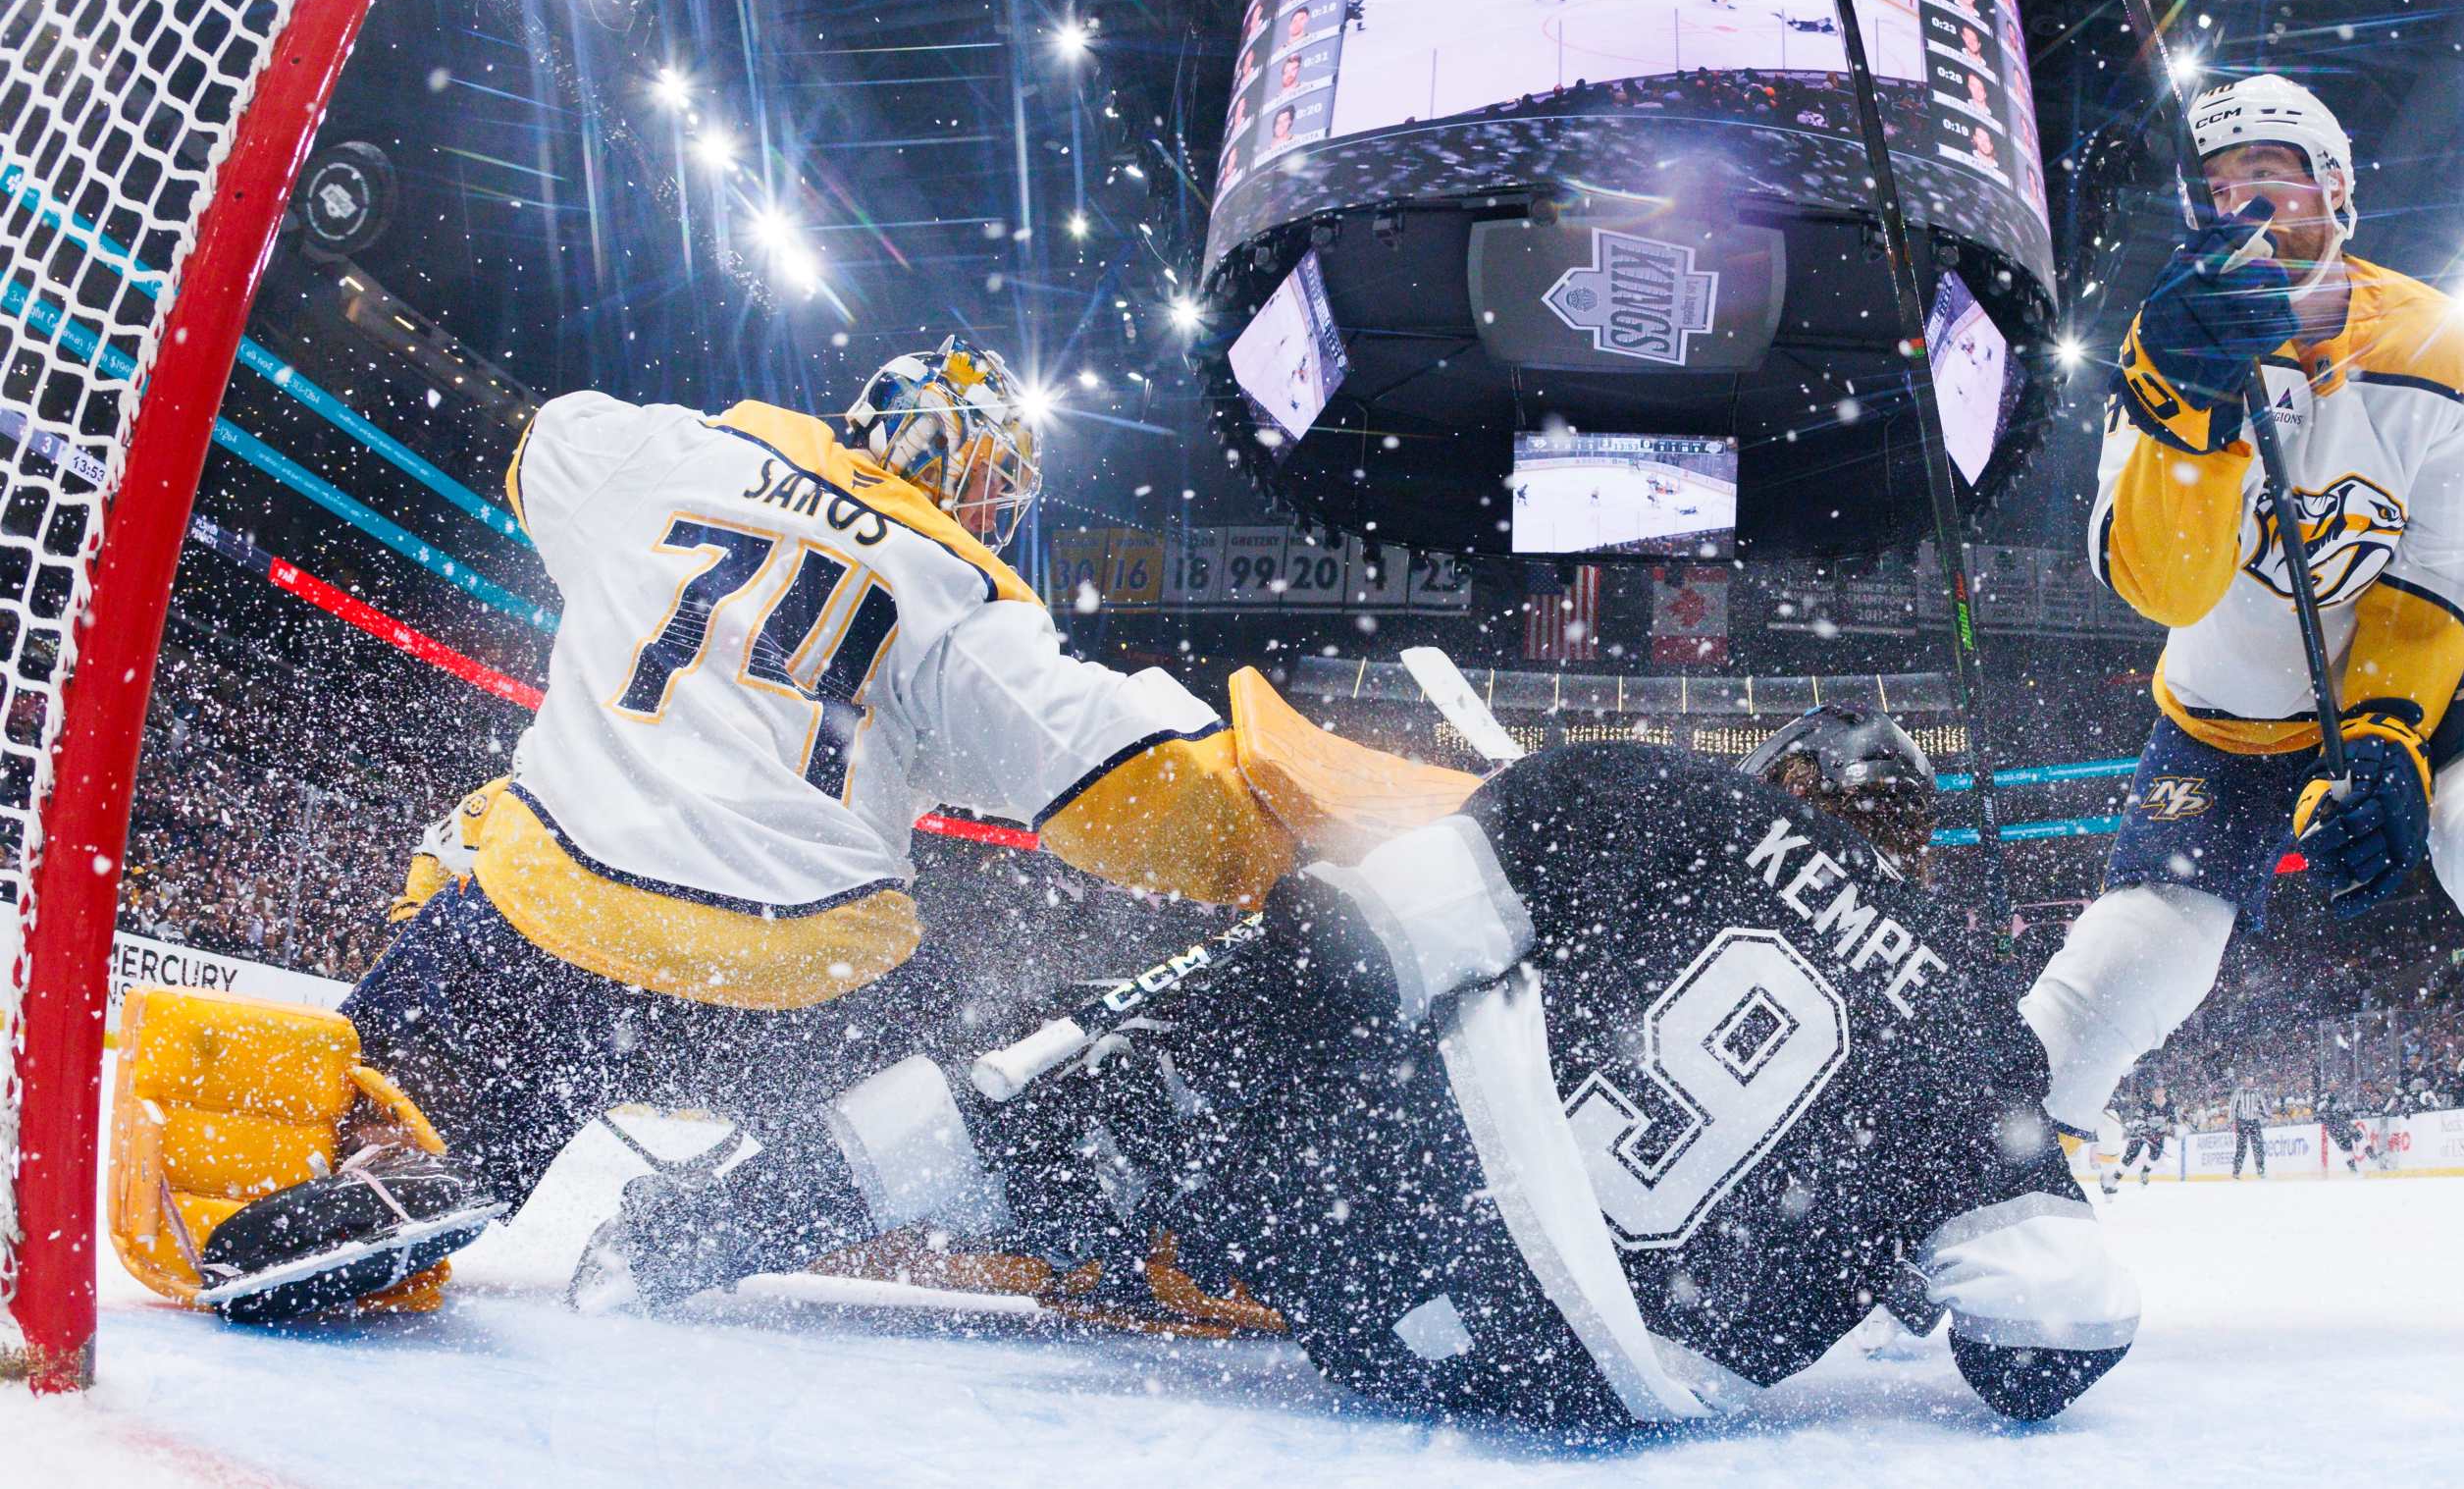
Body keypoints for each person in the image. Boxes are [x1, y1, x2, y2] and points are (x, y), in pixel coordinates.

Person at [129, 345, 1476, 1322]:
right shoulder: (961, 600)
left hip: (557, 925)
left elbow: (545, 448)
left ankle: (415, 1139)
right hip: (792, 985)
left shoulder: (663, 453)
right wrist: (1279, 844)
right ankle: (888, 1200)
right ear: (989, 493)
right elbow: (1141, 795)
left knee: (483, 836)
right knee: (986, 1071)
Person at [572, 710, 2141, 1429]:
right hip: (1631, 1397)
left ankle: (715, 1225)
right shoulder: (1973, 1036)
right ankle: (1153, 1185)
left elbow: (1349, 946)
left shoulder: (1662, 802)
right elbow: (2051, 1343)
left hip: (1413, 1259)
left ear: (1781, 774)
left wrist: (1252, 1044)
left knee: (1127, 1046)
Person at [2015, 74, 2464, 1324]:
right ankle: (1987, 1182)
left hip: (2401, 664)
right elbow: (2162, 585)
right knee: (2139, 952)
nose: (2250, 202)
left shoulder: (2445, 347)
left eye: (2277, 175)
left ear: (2338, 191)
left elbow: (2448, 572)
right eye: (2223, 184)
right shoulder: (2170, 339)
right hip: (2228, 703)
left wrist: (2396, 731)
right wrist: (2185, 412)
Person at [2230, 1082, 2270, 1179]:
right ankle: (2236, 1172)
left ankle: (2261, 1170)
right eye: (2248, 1080)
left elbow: (2263, 1105)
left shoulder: (2257, 1093)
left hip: (2254, 1122)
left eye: (2252, 1080)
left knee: (2258, 1147)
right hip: (2242, 1122)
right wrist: (2232, 1121)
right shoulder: (2239, 1092)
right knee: (2241, 1148)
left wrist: (2267, 1114)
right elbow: (2233, 1107)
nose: (2250, 1083)